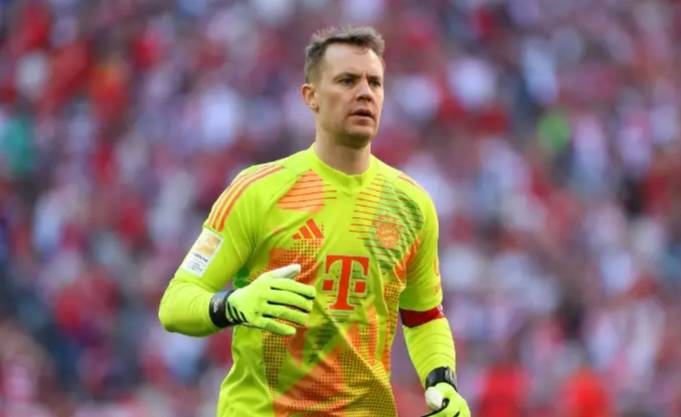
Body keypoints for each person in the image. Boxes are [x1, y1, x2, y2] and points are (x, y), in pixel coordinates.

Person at [158, 26, 471, 417]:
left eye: (374, 82)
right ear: (311, 97)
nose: (365, 92)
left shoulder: (412, 204)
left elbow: (424, 316)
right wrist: (233, 305)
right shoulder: (258, 191)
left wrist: (442, 380)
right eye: (347, 80)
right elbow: (175, 304)